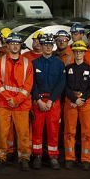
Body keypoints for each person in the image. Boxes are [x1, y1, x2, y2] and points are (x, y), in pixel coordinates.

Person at [0, 33, 34, 169]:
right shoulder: (0, 62)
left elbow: (28, 86)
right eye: (12, 43)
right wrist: (9, 98)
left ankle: (24, 157)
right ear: (8, 45)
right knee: (1, 132)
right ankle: (0, 156)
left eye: (17, 44)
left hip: (21, 104)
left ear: (21, 46)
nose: (15, 46)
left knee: (23, 133)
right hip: (3, 104)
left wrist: (16, 100)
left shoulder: (27, 63)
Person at [31, 33, 65, 169]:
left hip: (53, 101)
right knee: (37, 129)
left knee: (53, 130)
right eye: (45, 45)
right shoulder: (35, 63)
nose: (48, 47)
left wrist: (51, 100)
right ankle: (37, 155)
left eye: (50, 45)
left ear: (53, 46)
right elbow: (32, 84)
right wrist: (38, 100)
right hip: (38, 101)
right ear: (41, 46)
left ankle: (53, 156)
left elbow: (61, 84)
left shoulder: (59, 63)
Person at [62, 40, 90, 170]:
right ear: (73, 52)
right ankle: (69, 158)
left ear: (84, 53)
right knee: (69, 131)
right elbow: (64, 86)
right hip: (71, 102)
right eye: (76, 51)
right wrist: (74, 99)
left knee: (87, 132)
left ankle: (86, 159)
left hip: (85, 102)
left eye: (80, 51)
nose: (78, 54)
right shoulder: (68, 68)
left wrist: (82, 98)